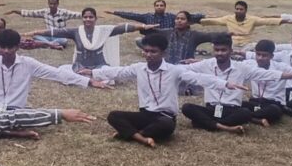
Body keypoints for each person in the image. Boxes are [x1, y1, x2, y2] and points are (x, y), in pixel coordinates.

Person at [80, 33, 247, 148]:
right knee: (113, 115)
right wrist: (93, 72)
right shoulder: (139, 68)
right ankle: (142, 138)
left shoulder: (174, 70)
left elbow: (199, 78)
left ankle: (130, 134)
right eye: (146, 51)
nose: (149, 55)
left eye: (153, 52)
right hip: (145, 115)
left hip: (165, 117)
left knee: (166, 126)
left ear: (164, 53)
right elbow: (118, 71)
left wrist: (225, 84)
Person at [0, 29, 107, 138]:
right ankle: (12, 131)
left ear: (17, 47)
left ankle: (9, 130)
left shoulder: (28, 63)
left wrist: (88, 81)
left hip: (19, 113)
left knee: (25, 115)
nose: (6, 51)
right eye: (2, 47)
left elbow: (57, 74)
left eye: (10, 47)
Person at [181, 34, 292, 133]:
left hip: (231, 110)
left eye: (223, 50)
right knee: (187, 107)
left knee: (245, 113)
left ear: (230, 51)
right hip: (211, 108)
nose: (220, 53)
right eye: (217, 50)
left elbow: (268, 74)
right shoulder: (206, 64)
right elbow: (183, 70)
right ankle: (225, 127)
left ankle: (206, 123)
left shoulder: (241, 68)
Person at [25, 7, 157, 72]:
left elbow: (124, 28)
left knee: (108, 76)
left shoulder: (104, 31)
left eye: (91, 17)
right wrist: (35, 32)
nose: (88, 19)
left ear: (95, 18)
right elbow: (54, 32)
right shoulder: (75, 31)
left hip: (100, 66)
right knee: (64, 72)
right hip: (80, 66)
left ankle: (93, 74)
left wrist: (143, 26)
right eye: (85, 17)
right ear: (82, 18)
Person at [196, 1, 286, 50]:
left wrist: (284, 21)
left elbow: (267, 21)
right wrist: (198, 21)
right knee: (218, 45)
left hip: (247, 45)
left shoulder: (252, 19)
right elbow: (215, 21)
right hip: (232, 44)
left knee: (262, 47)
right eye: (237, 9)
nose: (238, 11)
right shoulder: (228, 18)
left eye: (241, 9)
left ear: (245, 10)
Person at [5, 0, 81, 47]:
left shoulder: (64, 13)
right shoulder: (45, 12)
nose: (52, 6)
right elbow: (30, 13)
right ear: (48, 3)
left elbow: (76, 14)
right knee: (35, 36)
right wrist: (15, 11)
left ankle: (46, 44)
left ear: (58, 4)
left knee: (64, 41)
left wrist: (87, 15)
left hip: (60, 36)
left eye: (54, 4)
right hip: (48, 35)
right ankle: (50, 44)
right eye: (50, 4)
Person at [155, 11, 227, 65]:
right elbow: (152, 32)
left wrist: (228, 34)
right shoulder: (168, 32)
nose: (179, 21)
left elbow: (211, 36)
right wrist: (147, 27)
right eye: (177, 19)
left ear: (189, 22)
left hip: (187, 68)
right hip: (168, 68)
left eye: (182, 19)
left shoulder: (194, 35)